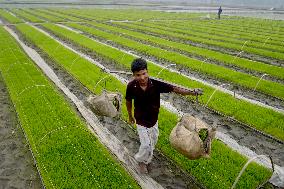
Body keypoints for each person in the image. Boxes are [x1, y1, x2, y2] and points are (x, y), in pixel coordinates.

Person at [125, 58, 203, 174]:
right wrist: (130, 116)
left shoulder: (156, 84)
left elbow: (175, 88)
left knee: (154, 139)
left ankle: (147, 156)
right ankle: (142, 161)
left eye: (144, 74)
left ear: (148, 71)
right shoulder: (131, 86)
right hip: (141, 120)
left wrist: (192, 92)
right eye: (138, 75)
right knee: (146, 144)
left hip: (153, 119)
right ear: (133, 75)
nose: (142, 78)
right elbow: (128, 101)